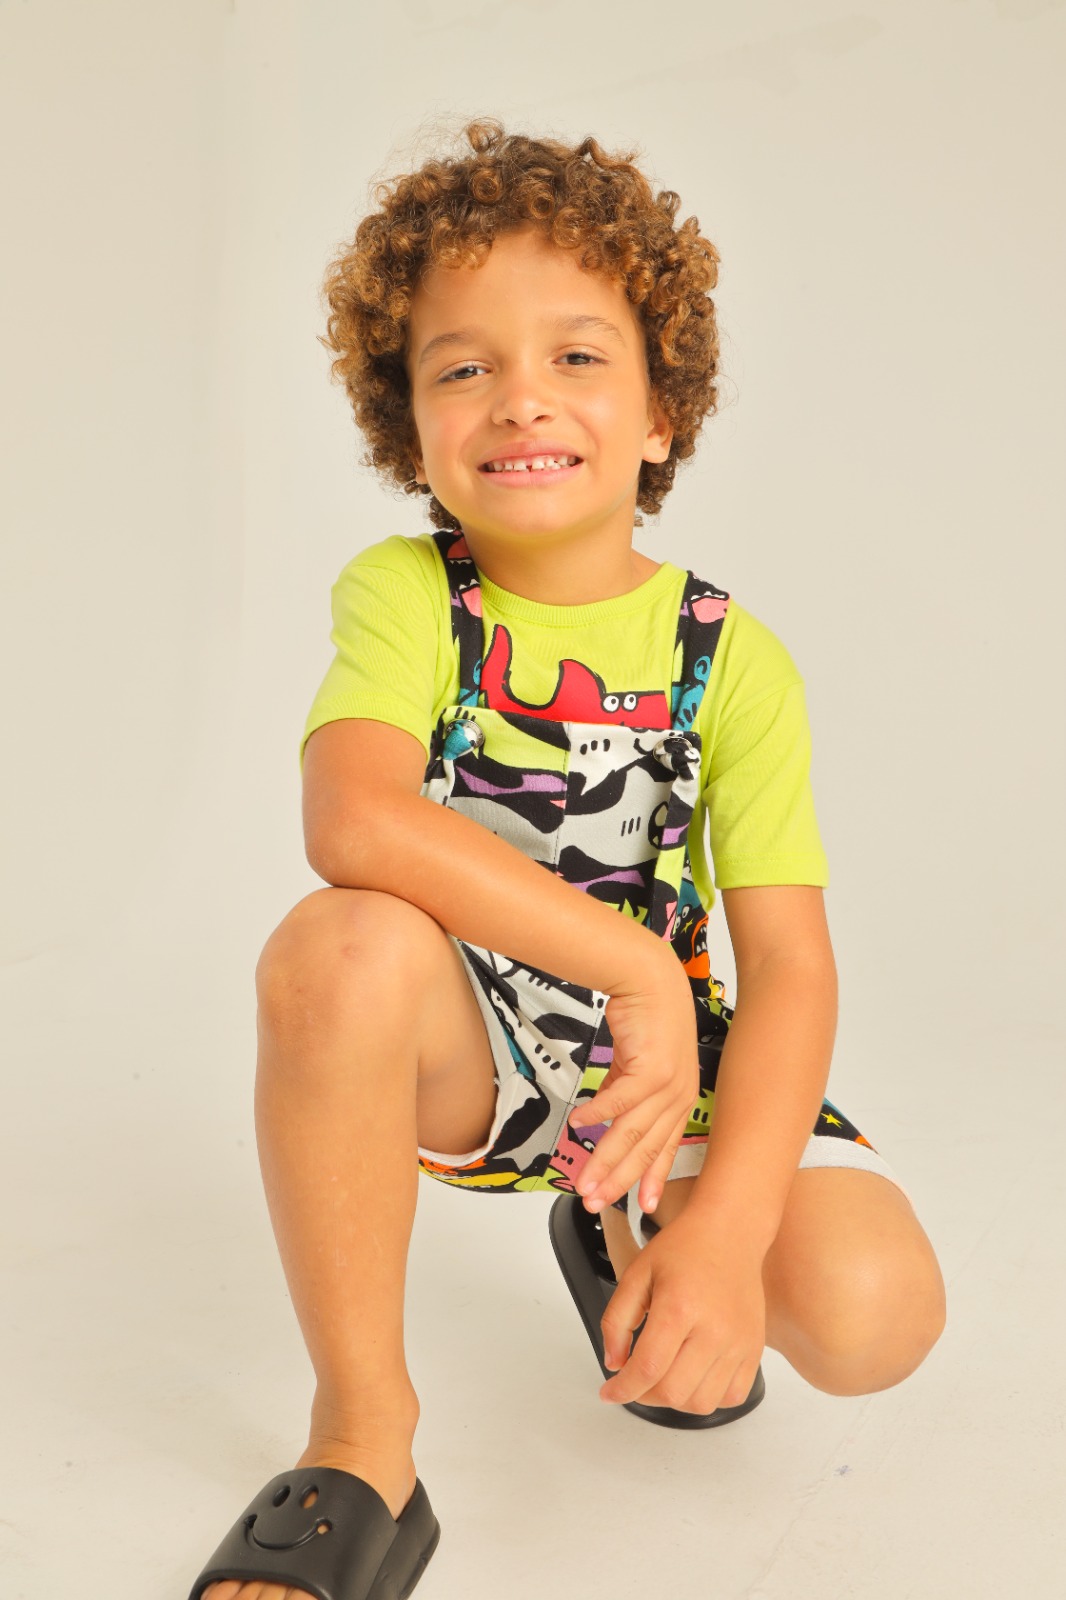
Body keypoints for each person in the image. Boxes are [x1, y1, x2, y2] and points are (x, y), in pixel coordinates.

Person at [188, 118, 947, 1600]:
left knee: (873, 1318)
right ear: (410, 430)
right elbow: (352, 822)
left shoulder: (734, 659)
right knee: (333, 945)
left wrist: (725, 1233)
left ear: (663, 412)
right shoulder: (410, 597)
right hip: (464, 1047)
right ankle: (362, 1439)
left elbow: (789, 968)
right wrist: (633, 969)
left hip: (664, 1081)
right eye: (462, 367)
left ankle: (633, 1224)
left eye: (577, 356)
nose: (519, 395)